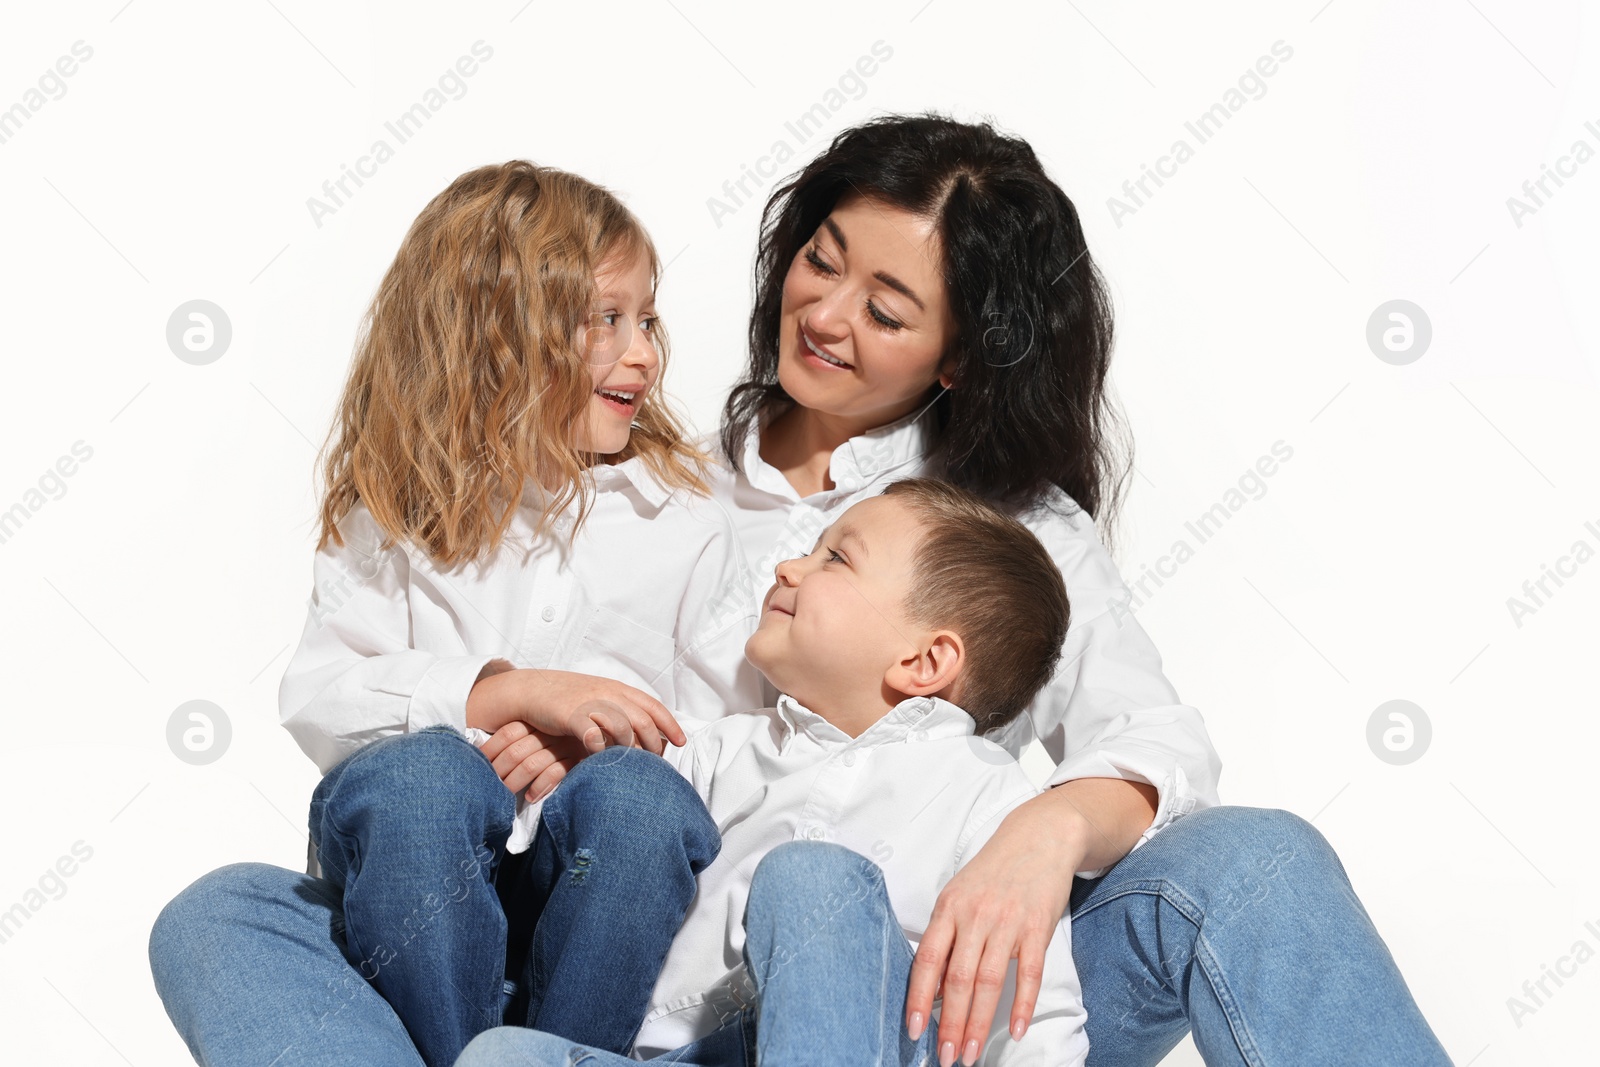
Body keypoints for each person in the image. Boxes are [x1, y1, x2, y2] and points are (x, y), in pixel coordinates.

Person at [148, 160, 762, 1067]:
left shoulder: (689, 523)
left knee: (638, 800)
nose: (643, 352)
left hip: (594, 930)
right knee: (391, 799)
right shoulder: (393, 508)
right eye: (606, 320)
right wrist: (503, 694)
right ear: (498, 337)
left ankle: (549, 1057)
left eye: (647, 319)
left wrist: (591, 745)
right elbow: (321, 695)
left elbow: (733, 743)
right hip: (411, 918)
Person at [458, 477, 1090, 1067]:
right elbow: (582, 827)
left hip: (850, 1043)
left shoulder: (988, 793)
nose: (788, 567)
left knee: (815, 879)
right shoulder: (721, 746)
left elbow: (1036, 1007)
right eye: (809, 551)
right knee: (501, 1054)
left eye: (835, 559)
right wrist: (572, 743)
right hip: (661, 1052)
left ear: (924, 660)